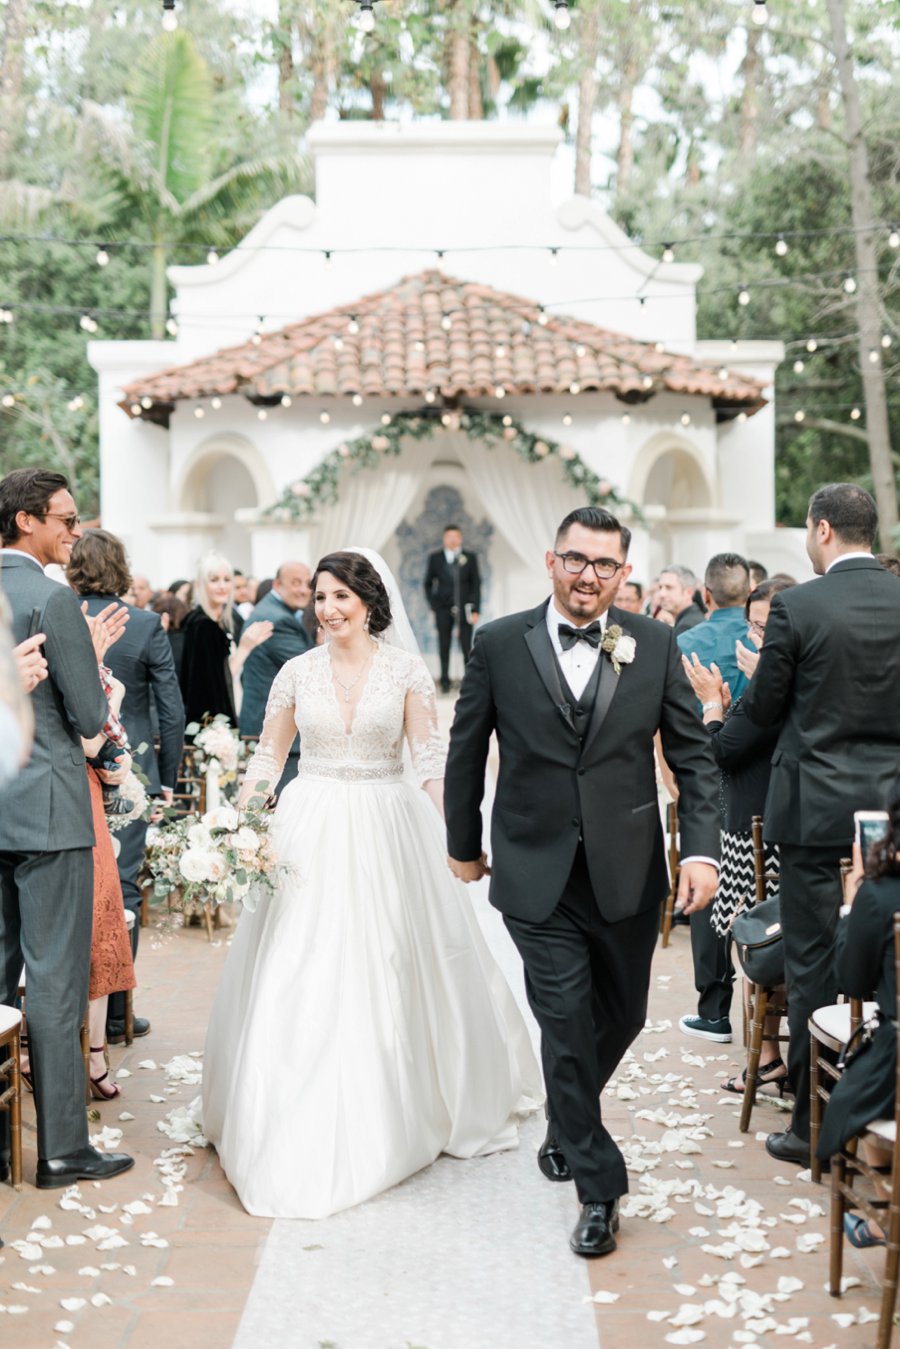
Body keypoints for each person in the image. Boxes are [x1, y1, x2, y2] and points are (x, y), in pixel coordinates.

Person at [202, 549, 542, 1219]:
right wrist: (234, 824)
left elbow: (430, 762)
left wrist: (459, 836)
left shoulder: (406, 670)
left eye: (340, 597)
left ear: (369, 601)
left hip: (391, 825)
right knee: (302, 962)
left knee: (394, 957)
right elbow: (269, 758)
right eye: (320, 598)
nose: (326, 609)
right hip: (313, 823)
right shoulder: (298, 671)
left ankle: (400, 1096)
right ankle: (288, 1106)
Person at [443, 506, 721, 1260]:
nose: (588, 574)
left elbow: (693, 757)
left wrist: (700, 850)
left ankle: (567, 1120)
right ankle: (600, 1189)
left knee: (621, 1015)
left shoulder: (656, 643)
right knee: (564, 1023)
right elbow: (467, 750)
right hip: (535, 871)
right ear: (550, 560)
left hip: (629, 870)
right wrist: (463, 843)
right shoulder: (499, 642)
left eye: (604, 564)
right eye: (576, 559)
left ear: (623, 572)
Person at [744, 483, 900, 1167]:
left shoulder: (799, 605)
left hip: (812, 812)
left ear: (824, 529)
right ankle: (873, 1108)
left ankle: (812, 1125)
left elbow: (766, 707)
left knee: (811, 965)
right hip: (892, 811)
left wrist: (719, 739)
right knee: (886, 956)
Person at [0, 467, 134, 1188]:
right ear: (26, 520)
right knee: (53, 980)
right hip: (50, 814)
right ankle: (60, 1149)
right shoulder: (52, 598)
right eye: (65, 517)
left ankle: (1, 1143)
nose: (74, 531)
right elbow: (87, 716)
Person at [69, 529, 185, 1045]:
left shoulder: (60, 614)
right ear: (121, 567)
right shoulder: (143, 624)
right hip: (130, 771)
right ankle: (115, 1017)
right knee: (126, 888)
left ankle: (72, 1015)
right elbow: (171, 710)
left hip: (74, 767)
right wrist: (167, 779)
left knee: (73, 889)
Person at [682, 576, 797, 1094]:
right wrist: (731, 708)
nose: (757, 636)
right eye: (753, 625)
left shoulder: (778, 681)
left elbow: (722, 751)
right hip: (760, 821)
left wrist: (711, 705)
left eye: (767, 626)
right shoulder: (780, 678)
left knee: (752, 939)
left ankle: (768, 1056)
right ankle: (769, 1053)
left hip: (758, 830)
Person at [676, 553, 756, 1044]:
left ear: (705, 595)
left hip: (703, 775)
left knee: (707, 876)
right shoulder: (763, 641)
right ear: (748, 596)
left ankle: (714, 1009)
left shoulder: (683, 642)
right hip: (757, 775)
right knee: (755, 880)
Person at [817, 796, 900, 1246]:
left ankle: (887, 1215)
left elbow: (850, 979)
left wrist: (852, 904)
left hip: (897, 1065)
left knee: (861, 1083)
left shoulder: (881, 894)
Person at [238, 560, 313, 791]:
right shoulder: (277, 620)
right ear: (278, 585)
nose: (303, 590)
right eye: (295, 583)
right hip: (279, 734)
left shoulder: (275, 611)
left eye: (306, 583)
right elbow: (310, 670)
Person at [180, 552, 272, 729]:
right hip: (210, 725)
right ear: (200, 585)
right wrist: (245, 647)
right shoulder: (203, 626)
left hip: (220, 718)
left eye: (226, 579)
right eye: (214, 580)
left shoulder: (221, 622)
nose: (222, 586)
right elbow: (215, 682)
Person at [424, 524, 481, 693]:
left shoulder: (469, 557)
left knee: (466, 646)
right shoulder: (435, 558)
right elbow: (428, 583)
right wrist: (434, 605)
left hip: (465, 608)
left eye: (456, 536)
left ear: (460, 538)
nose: (453, 540)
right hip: (443, 609)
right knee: (444, 644)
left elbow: (476, 584)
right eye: (449, 537)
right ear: (444, 538)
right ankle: (445, 681)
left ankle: (469, 682)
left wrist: (476, 609)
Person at [657, 565, 704, 635]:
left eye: (669, 588)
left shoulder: (687, 627)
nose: (662, 594)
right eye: (660, 587)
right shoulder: (691, 619)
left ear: (688, 592)